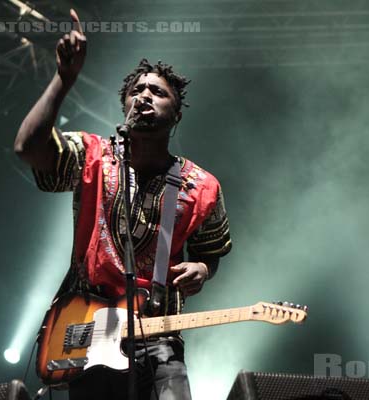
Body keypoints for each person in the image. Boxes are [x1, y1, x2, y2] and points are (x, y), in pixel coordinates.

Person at [13, 9, 232, 400]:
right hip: (86, 330)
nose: (145, 95)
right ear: (125, 106)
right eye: (136, 91)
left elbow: (211, 254)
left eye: (158, 92)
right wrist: (64, 80)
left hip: (159, 335)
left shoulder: (203, 187)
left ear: (176, 114)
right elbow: (28, 149)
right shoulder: (92, 155)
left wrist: (202, 267)